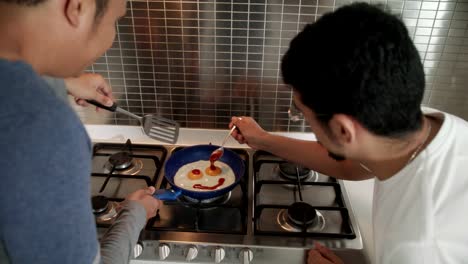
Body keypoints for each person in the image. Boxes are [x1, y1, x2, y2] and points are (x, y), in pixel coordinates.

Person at [229, 3, 468, 264]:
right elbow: (356, 165)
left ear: (344, 130)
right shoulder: (421, 123)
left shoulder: (419, 247)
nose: (301, 118)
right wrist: (262, 139)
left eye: (301, 113)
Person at [0, 1, 161, 263]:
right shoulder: (41, 128)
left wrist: (62, 82)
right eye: (115, 21)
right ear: (78, 8)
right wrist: (134, 214)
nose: (112, 38)